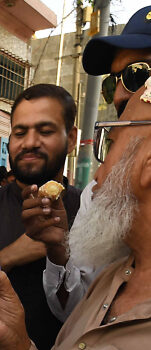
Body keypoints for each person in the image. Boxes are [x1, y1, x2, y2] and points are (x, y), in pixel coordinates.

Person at [0, 82, 151, 350]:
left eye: (110, 145)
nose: (97, 176)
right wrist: (15, 342)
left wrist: (56, 249)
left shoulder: (88, 222)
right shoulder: (115, 277)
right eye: (20, 132)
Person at [27, 5, 151, 321]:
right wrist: (58, 249)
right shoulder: (98, 192)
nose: (119, 95)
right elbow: (78, 311)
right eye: (113, 82)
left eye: (137, 74)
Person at [0, 84, 80, 350]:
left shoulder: (91, 212)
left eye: (45, 131)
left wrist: (58, 252)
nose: (29, 143)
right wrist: (9, 257)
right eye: (20, 132)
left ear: (71, 138)